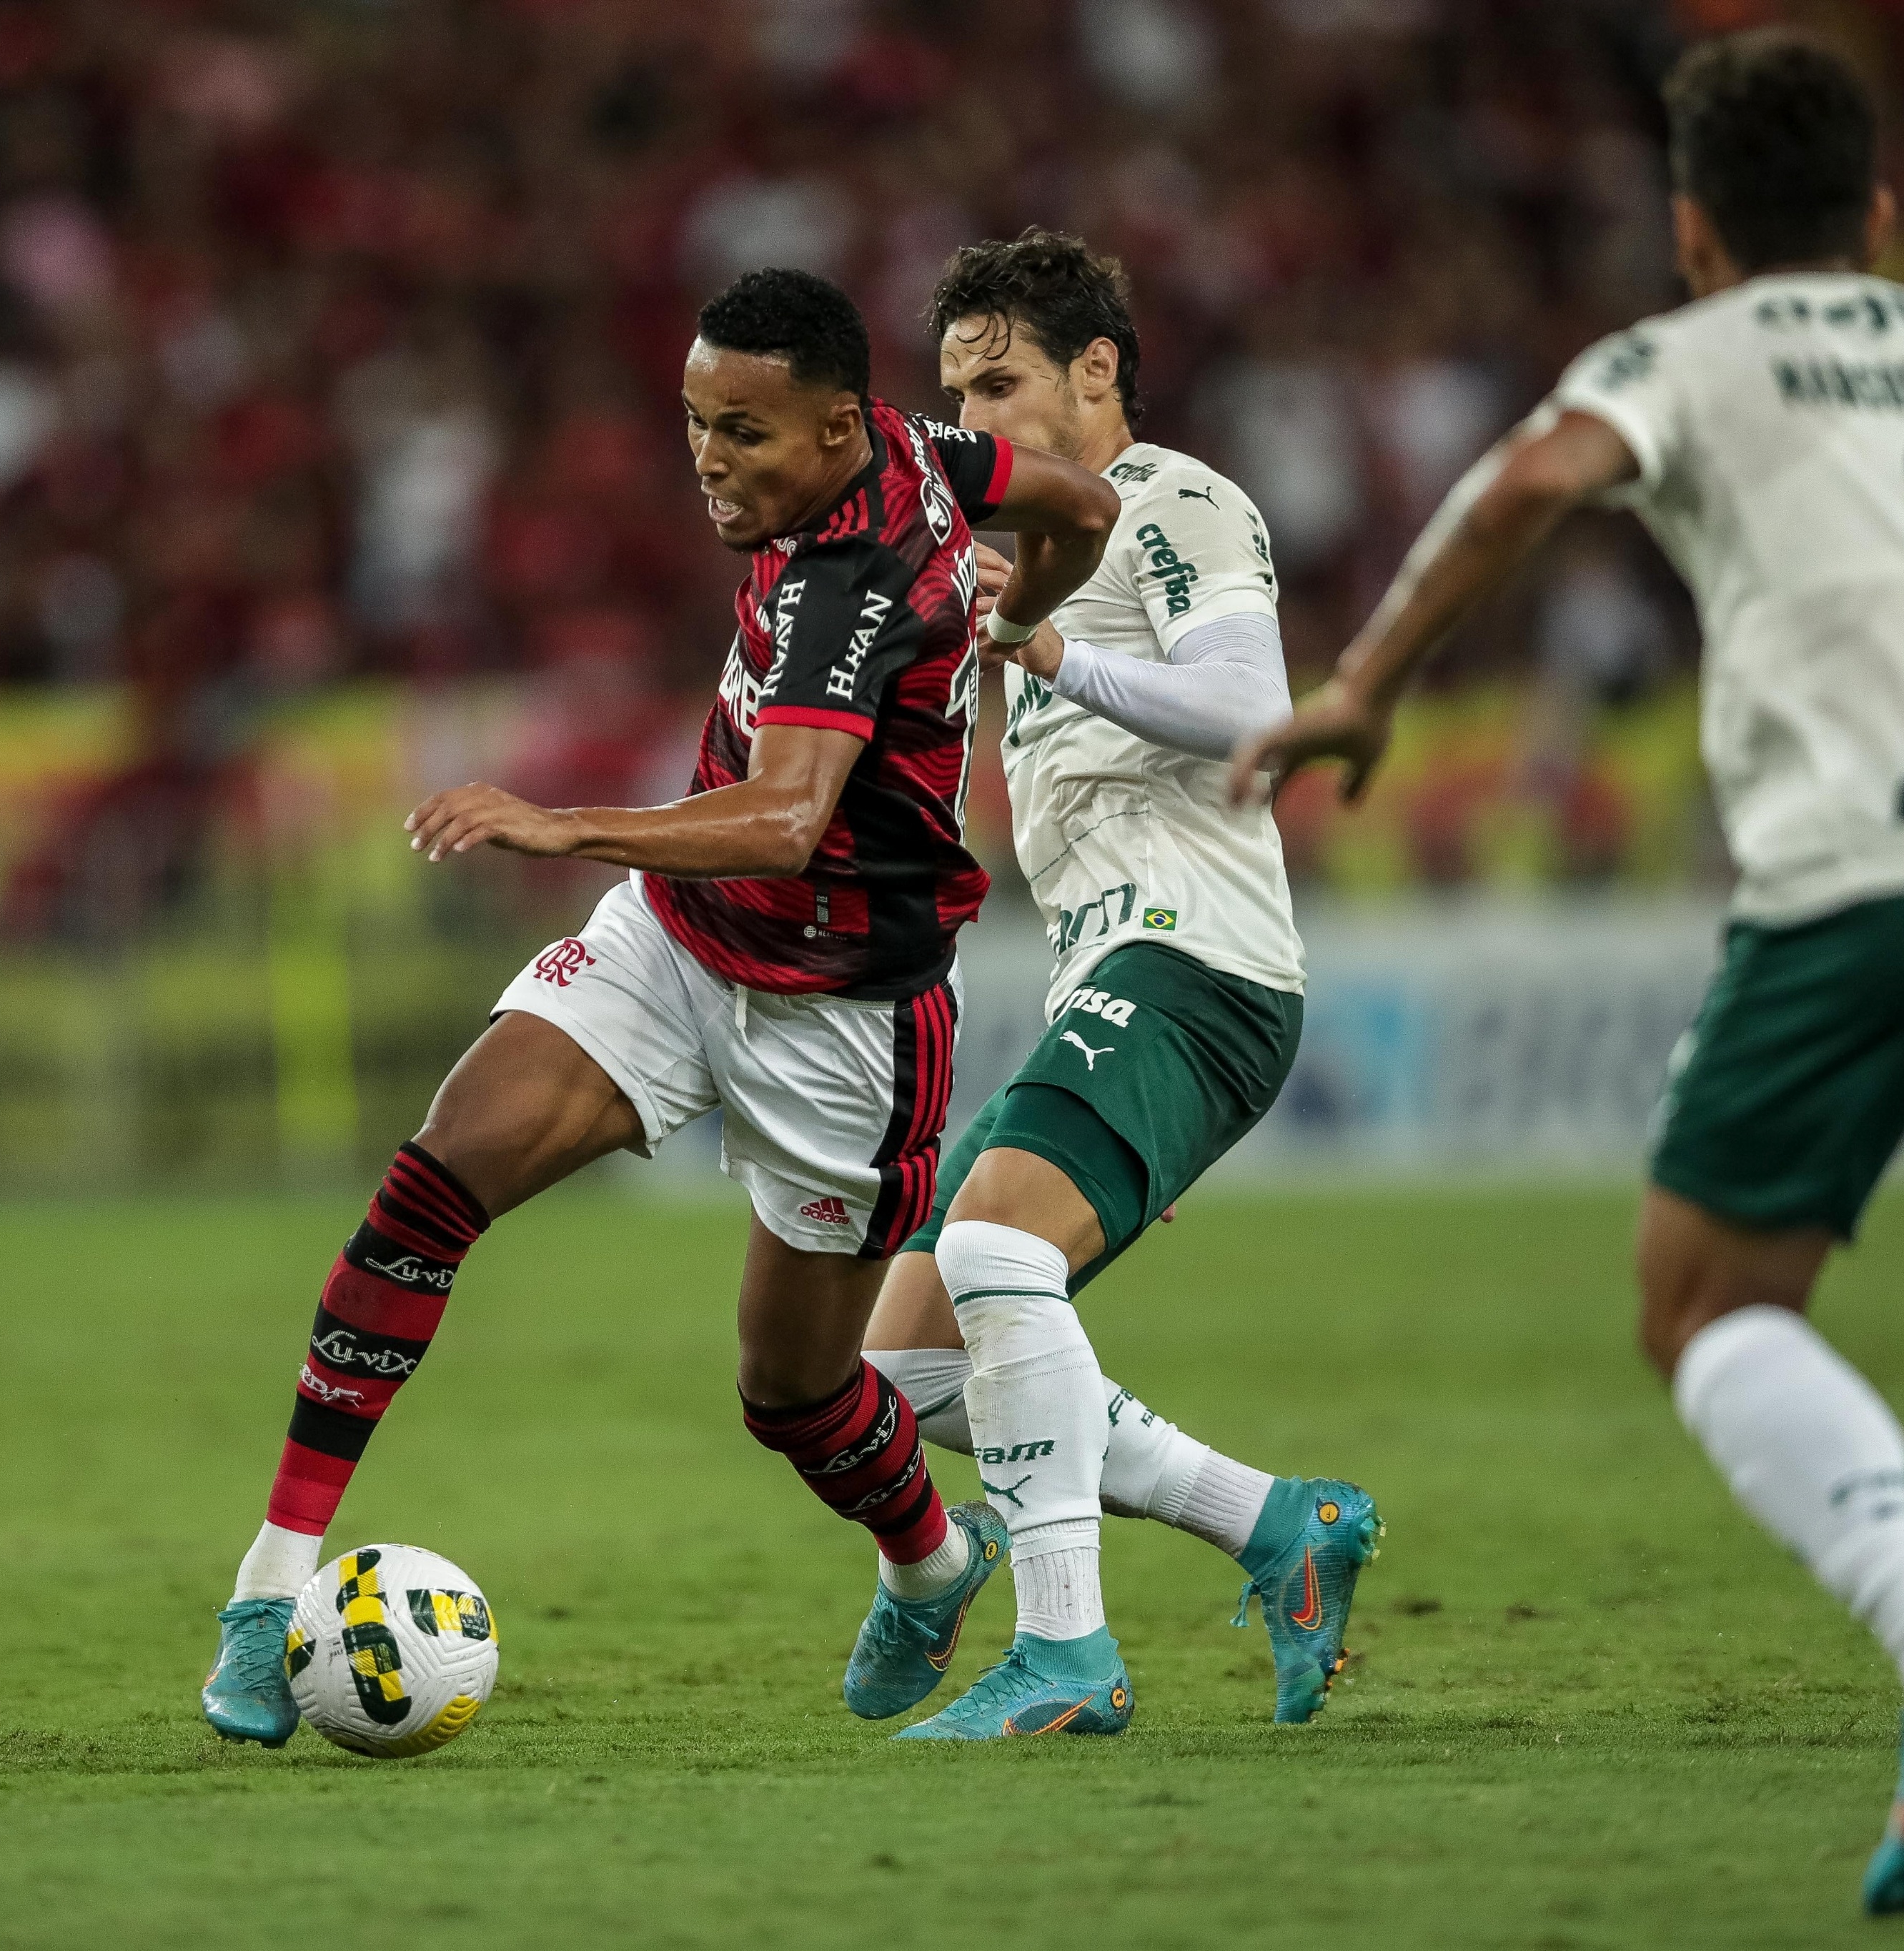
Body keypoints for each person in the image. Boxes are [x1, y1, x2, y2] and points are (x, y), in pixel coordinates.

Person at [201, 267, 1120, 1747]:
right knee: (426, 1192)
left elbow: (779, 818)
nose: (709, 459)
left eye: (744, 435)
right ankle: (265, 1593)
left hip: (845, 1020)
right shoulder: (920, 448)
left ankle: (935, 1562)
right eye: (696, 421)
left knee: (797, 1400)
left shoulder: (850, 578)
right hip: (679, 944)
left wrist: (563, 828)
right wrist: (1027, 622)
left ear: (831, 434)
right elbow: (1076, 505)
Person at [1234, 31, 1904, 1909]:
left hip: (1861, 874)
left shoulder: (1682, 356)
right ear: (1878, 216)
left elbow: (1540, 475)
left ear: (1693, 231)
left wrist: (1366, 680)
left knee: (1708, 1300)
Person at [839, 232, 1381, 1744]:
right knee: (901, 1363)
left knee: (1001, 1253)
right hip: (1112, 954)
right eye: (950, 391)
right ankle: (1277, 1523)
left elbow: (1245, 708)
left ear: (1096, 370)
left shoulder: (1170, 500)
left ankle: (1066, 1655)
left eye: (997, 381)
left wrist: (1042, 644)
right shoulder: (1004, 550)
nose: (971, 419)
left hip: (1196, 958)